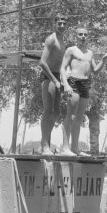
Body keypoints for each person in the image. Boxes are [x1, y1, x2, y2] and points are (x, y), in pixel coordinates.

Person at [60, 27, 107, 157]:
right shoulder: (71, 50)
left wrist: (104, 59)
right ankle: (65, 147)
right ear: (76, 36)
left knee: (79, 117)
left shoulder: (90, 53)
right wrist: (65, 84)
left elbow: (95, 71)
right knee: (71, 115)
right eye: (80, 34)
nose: (83, 36)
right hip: (73, 82)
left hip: (85, 83)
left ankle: (75, 148)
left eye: (85, 34)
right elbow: (62, 68)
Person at [39, 14, 68, 156]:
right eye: (59, 23)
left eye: (64, 23)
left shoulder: (63, 41)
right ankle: (44, 145)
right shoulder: (51, 39)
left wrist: (63, 79)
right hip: (48, 77)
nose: (61, 25)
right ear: (54, 24)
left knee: (56, 113)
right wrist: (54, 80)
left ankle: (45, 142)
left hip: (57, 77)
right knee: (48, 110)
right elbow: (42, 62)